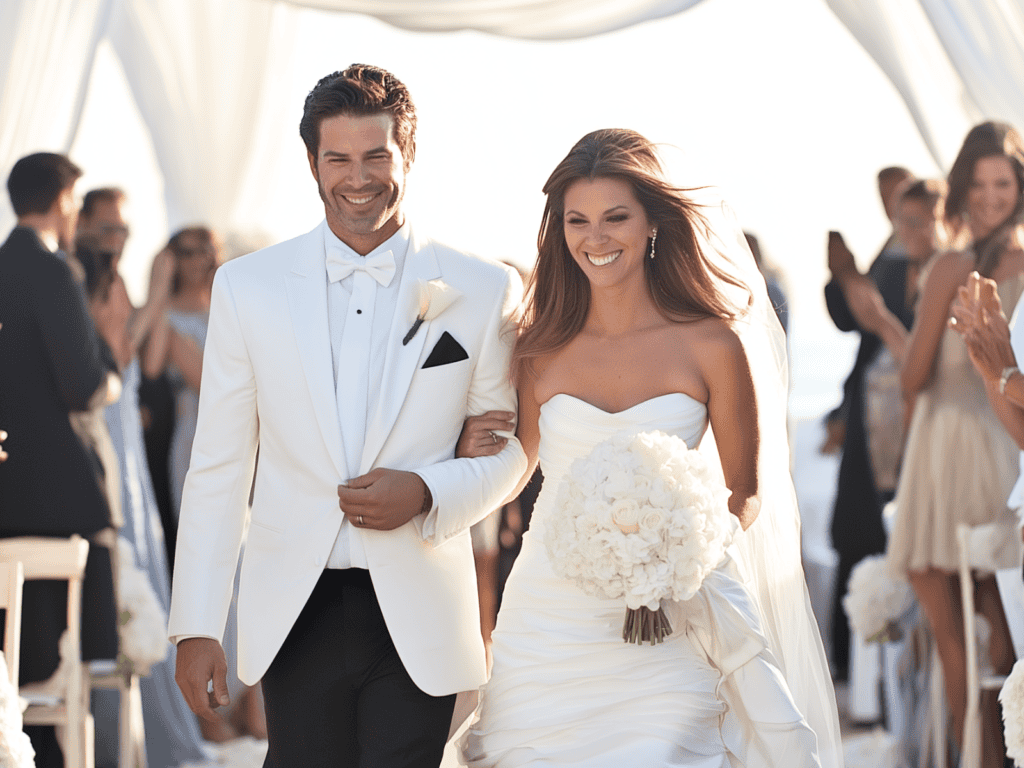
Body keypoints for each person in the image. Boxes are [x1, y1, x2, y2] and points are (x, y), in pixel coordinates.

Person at [168, 64, 526, 768]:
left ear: (408, 155)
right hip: (293, 606)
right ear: (312, 163)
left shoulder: (485, 288)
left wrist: (428, 491)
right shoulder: (247, 286)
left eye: (376, 156)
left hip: (419, 606)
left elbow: (509, 451)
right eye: (338, 158)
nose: (357, 178)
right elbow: (218, 467)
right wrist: (198, 625)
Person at [457, 128, 842, 767]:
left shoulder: (713, 344)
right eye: (577, 221)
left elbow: (744, 495)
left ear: (653, 223)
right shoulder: (538, 346)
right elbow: (520, 462)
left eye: (615, 218)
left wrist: (676, 549)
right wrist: (468, 448)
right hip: (549, 614)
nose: (596, 238)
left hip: (670, 612)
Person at [887, 121, 1024, 767]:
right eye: (983, 183)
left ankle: (979, 755)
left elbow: (911, 377)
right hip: (1001, 447)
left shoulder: (948, 267)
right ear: (965, 186)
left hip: (953, 449)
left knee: (957, 627)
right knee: (1000, 616)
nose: (993, 196)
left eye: (1004, 183)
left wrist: (895, 322)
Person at [0, 152, 121, 768]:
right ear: (61, 201)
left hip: (2, 498)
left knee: (14, 661)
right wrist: (111, 385)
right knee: (58, 662)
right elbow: (82, 382)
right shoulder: (53, 271)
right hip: (57, 493)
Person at [822, 165, 914, 680]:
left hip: (898, 416)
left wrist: (850, 276)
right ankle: (854, 664)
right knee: (856, 530)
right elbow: (851, 321)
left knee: (877, 529)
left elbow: (876, 317)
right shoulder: (891, 247)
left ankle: (873, 670)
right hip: (868, 409)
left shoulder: (917, 257)